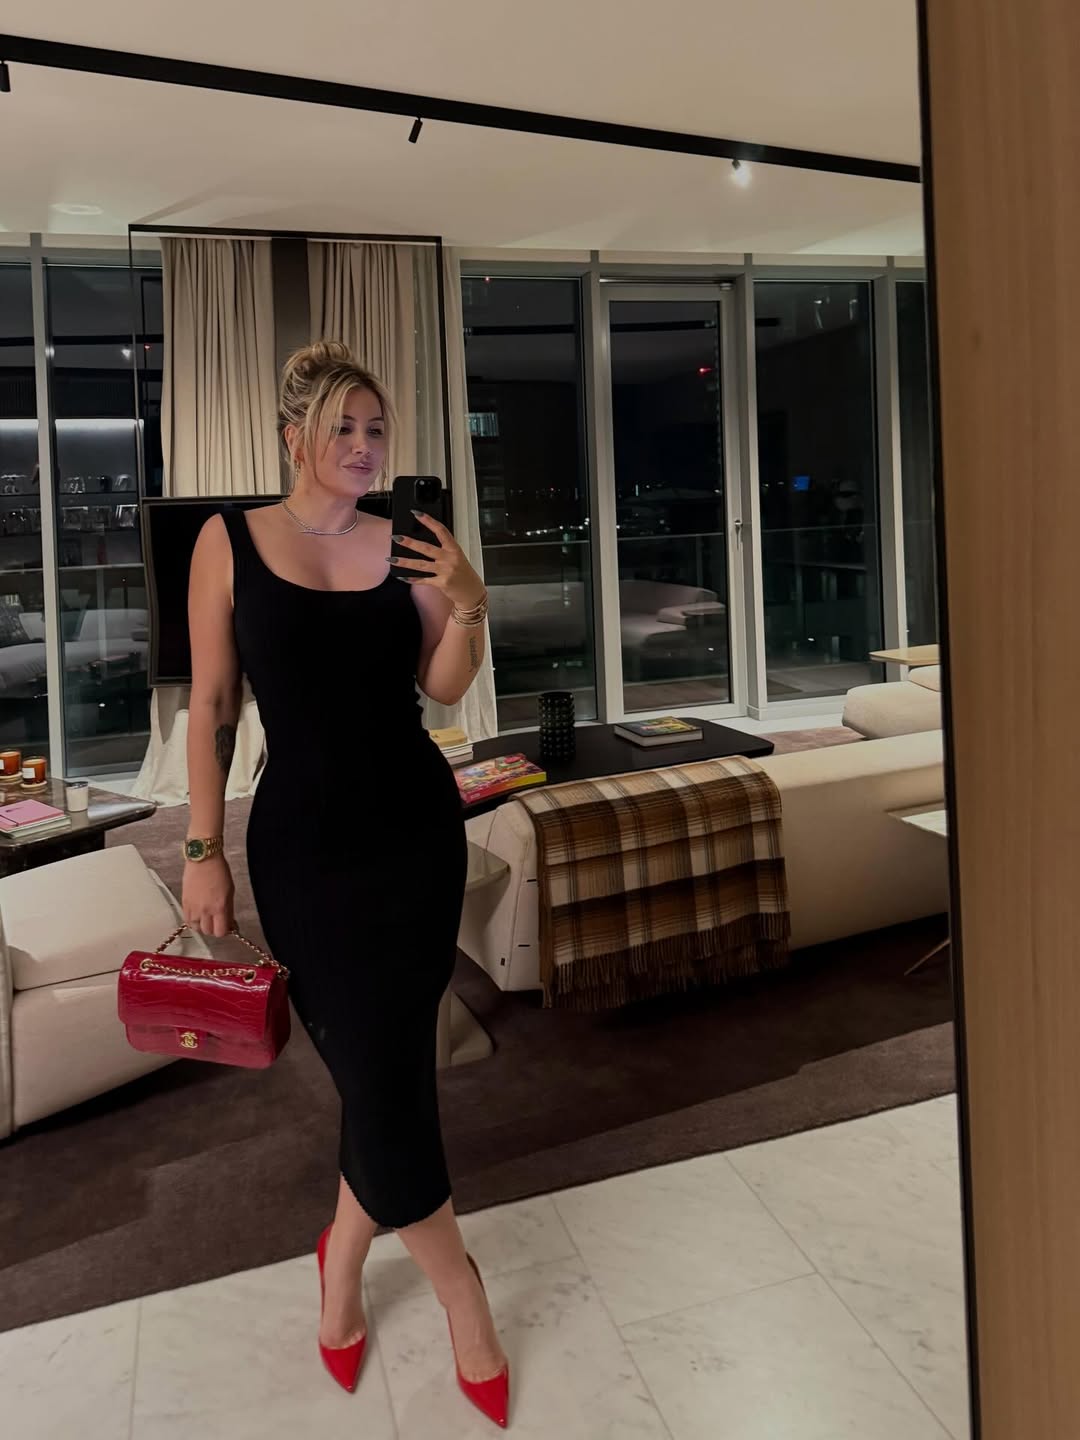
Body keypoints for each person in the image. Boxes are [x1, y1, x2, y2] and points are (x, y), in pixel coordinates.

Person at [183, 340, 509, 1428]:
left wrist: (469, 600)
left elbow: (443, 687)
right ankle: (462, 1294)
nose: (365, 446)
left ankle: (343, 1265)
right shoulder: (228, 541)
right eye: (344, 428)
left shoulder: (408, 541)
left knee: (388, 1067)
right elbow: (213, 706)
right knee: (370, 1066)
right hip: (303, 847)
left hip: (414, 833)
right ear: (296, 439)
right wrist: (201, 848)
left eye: (376, 429)